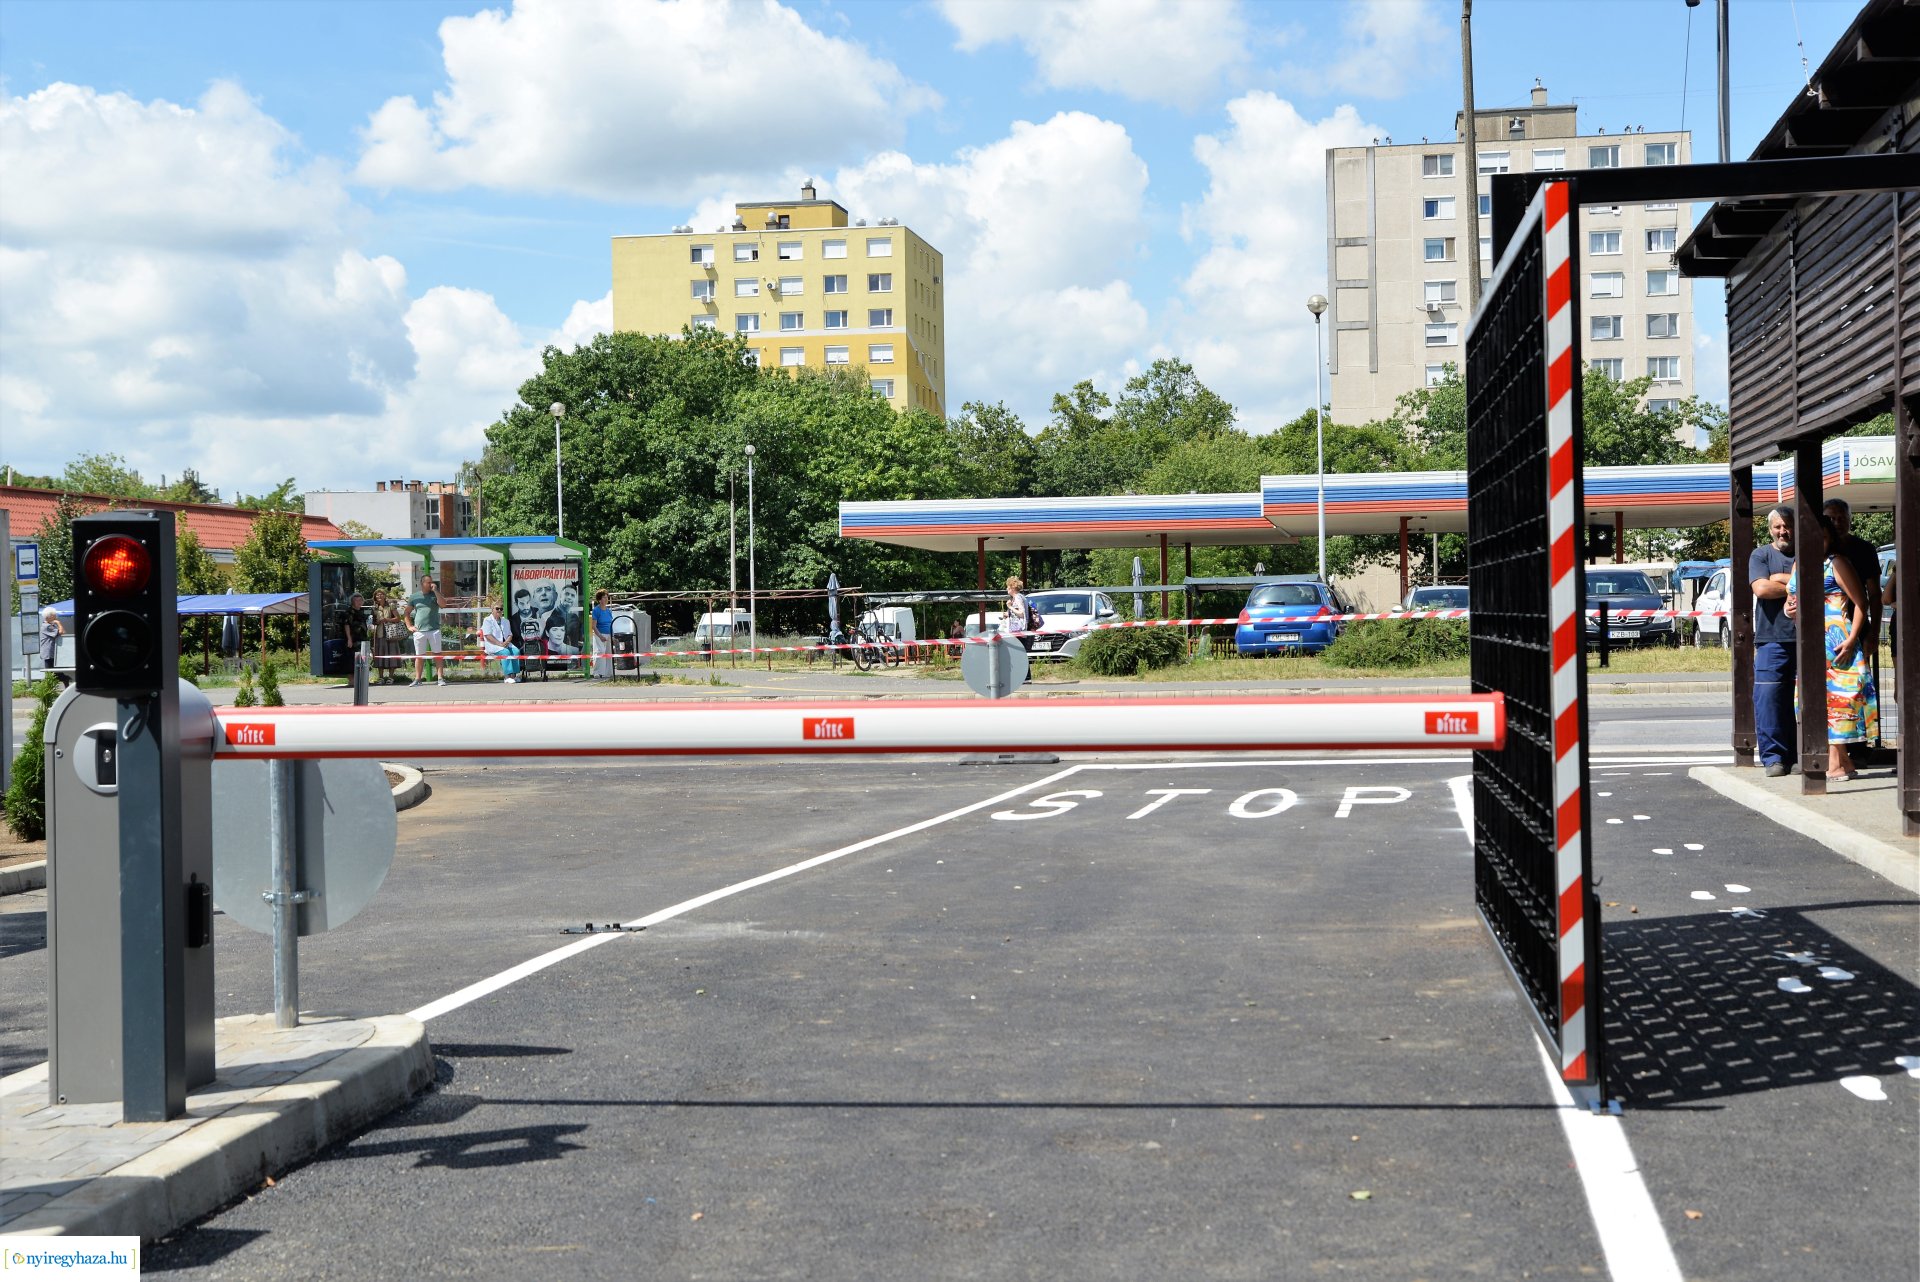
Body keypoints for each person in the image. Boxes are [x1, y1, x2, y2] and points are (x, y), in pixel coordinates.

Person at [1791, 514, 1877, 783]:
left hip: (1838, 644)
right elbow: (1790, 602)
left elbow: (1862, 604)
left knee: (1839, 703)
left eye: (1824, 537)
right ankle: (1845, 762)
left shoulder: (1837, 563)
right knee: (1816, 702)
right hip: (1810, 643)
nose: (1818, 542)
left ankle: (1835, 764)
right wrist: (1788, 608)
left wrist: (1852, 640)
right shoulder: (1799, 563)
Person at [1748, 507, 1796, 777]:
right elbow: (1762, 589)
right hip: (1771, 640)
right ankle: (1773, 758)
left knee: (1804, 700)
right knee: (1768, 700)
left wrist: (1781, 579)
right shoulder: (1761, 555)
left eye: (1787, 526)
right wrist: (1797, 584)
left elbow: (1822, 583)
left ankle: (1799, 754)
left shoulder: (1808, 553)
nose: (1783, 531)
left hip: (1808, 640)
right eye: (1778, 526)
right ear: (1770, 529)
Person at [407, 577, 445, 687]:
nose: (431, 584)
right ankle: (418, 679)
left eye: (432, 582)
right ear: (422, 583)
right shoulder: (414, 596)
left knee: (437, 654)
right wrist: (409, 626)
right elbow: (407, 612)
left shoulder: (436, 594)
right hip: (419, 631)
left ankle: (440, 678)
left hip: (434, 630)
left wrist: (436, 591)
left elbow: (443, 604)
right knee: (419, 656)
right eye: (428, 582)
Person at [479, 602, 521, 683]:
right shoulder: (487, 620)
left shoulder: (506, 621)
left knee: (516, 651)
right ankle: (507, 676)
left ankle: (514, 676)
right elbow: (488, 636)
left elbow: (510, 634)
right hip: (493, 645)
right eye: (497, 608)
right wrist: (500, 644)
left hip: (505, 643)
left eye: (501, 609)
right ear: (492, 610)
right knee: (505, 652)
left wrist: (506, 642)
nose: (499, 610)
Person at [589, 589, 614, 679]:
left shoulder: (609, 611)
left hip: (608, 634)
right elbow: (594, 626)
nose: (606, 599)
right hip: (599, 634)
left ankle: (608, 673)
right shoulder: (596, 610)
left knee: (608, 653)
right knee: (600, 652)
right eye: (604, 597)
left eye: (607, 597)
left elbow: (611, 624)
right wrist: (600, 636)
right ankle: (597, 672)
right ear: (599, 599)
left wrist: (613, 636)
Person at [1004, 575, 1032, 652]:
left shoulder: (1018, 597)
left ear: (1012, 587)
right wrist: (1008, 614)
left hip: (1018, 631)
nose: (1007, 589)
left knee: (1017, 653)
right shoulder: (1021, 597)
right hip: (1019, 631)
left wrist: (1010, 607)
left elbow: (1021, 613)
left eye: (1008, 587)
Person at [38, 605, 63, 674]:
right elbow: (61, 632)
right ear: (49, 616)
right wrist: (58, 623)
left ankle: (65, 680)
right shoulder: (47, 626)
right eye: (54, 615)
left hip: (52, 652)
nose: (56, 616)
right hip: (48, 653)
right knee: (50, 672)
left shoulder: (51, 625)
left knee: (54, 671)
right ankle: (65, 679)